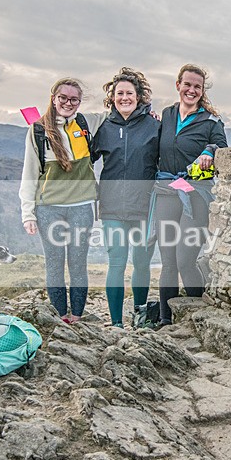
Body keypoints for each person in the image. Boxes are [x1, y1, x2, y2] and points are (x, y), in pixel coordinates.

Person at [19, 78, 105, 324]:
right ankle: (60, 317)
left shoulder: (86, 123)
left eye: (74, 99)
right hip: (48, 209)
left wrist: (148, 112)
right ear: (54, 98)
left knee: (78, 264)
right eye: (63, 98)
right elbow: (29, 173)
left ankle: (76, 316)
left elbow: (118, 113)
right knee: (54, 265)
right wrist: (28, 213)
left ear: (79, 102)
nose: (68, 103)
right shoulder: (38, 131)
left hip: (81, 207)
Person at [150, 64, 227, 325]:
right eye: (187, 84)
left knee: (185, 260)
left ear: (202, 91)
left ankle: (200, 317)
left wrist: (210, 150)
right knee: (168, 262)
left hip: (196, 196)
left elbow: (223, 147)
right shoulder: (167, 115)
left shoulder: (211, 121)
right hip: (165, 193)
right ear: (178, 85)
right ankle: (165, 321)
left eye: (197, 86)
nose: (191, 90)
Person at [91, 67, 160, 328]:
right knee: (116, 263)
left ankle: (140, 317)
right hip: (111, 208)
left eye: (129, 93)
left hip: (144, 207)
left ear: (139, 96)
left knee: (141, 264)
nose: (124, 98)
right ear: (112, 97)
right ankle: (117, 322)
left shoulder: (154, 125)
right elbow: (83, 158)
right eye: (119, 93)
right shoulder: (105, 127)